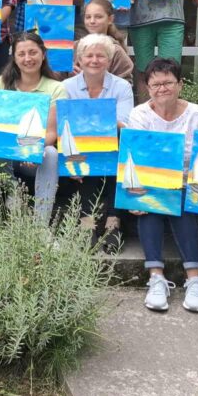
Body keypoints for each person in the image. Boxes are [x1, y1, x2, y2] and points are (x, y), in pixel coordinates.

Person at [127, 58, 198, 313]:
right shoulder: (139, 114)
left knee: (180, 198)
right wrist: (133, 197)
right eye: (156, 84)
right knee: (149, 204)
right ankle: (156, 277)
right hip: (151, 184)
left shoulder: (196, 113)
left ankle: (194, 279)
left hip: (189, 185)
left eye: (168, 82)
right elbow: (136, 157)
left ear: (180, 84)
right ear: (147, 88)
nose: (162, 88)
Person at [0, 32, 67, 224]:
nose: (28, 58)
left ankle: (41, 224)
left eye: (33, 52)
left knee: (51, 153)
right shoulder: (0, 83)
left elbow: (51, 133)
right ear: (14, 58)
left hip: (34, 156)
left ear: (43, 54)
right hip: (5, 158)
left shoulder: (56, 88)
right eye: (21, 54)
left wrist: (31, 151)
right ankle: (13, 189)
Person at [59, 33, 134, 253]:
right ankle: (87, 223)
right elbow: (63, 127)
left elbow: (124, 124)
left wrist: (93, 123)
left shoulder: (121, 86)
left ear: (109, 60)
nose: (94, 60)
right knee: (88, 150)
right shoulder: (66, 86)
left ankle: (113, 222)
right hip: (77, 148)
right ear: (79, 60)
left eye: (100, 56)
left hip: (112, 143)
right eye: (89, 55)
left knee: (115, 144)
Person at [78, 0, 134, 82]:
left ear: (110, 19)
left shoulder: (116, 50)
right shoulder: (76, 46)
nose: (92, 21)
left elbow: (126, 83)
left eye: (98, 17)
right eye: (88, 17)